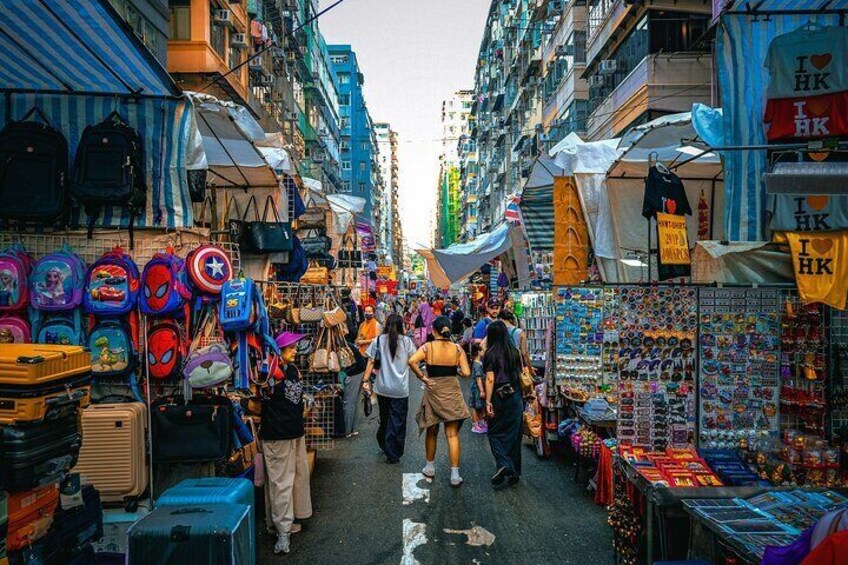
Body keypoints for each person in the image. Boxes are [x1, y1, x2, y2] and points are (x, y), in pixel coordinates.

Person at [262, 332, 313, 554]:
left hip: (294, 431)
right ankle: (282, 533)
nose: (295, 350)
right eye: (290, 347)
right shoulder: (267, 372)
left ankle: (284, 522)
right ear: (278, 350)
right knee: (280, 482)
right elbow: (257, 399)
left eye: (294, 346)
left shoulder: (293, 369)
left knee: (293, 478)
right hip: (276, 433)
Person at [408, 317, 471, 486]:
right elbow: (466, 372)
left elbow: (412, 361)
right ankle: (455, 475)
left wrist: (423, 378)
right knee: (452, 434)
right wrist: (453, 370)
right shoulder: (457, 349)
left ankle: (430, 467)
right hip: (451, 390)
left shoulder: (427, 347)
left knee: (432, 430)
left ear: (434, 331)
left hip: (433, 389)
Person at [364, 314, 416, 464]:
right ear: (401, 326)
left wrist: (365, 380)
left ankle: (383, 442)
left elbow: (371, 361)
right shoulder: (406, 342)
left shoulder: (379, 340)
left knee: (385, 417)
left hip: (382, 388)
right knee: (398, 421)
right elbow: (414, 360)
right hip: (400, 389)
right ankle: (393, 453)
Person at [483, 321, 524, 490]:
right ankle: (514, 472)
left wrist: (487, 401)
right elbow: (521, 374)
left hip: (499, 396)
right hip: (515, 396)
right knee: (514, 434)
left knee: (494, 432)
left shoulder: (490, 354)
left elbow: (490, 378)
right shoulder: (514, 352)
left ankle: (504, 463)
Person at [342, 336, 369, 437]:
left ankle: (347, 430)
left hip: (355, 371)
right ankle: (353, 429)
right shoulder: (345, 342)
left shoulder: (340, 344)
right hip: (360, 368)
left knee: (349, 401)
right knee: (355, 401)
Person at [468, 343, 488, 434]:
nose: (484, 352)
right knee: (475, 406)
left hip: (476, 387)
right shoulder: (477, 365)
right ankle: (475, 424)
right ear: (479, 352)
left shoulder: (478, 363)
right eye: (482, 351)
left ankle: (480, 422)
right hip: (476, 388)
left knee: (478, 405)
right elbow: (478, 378)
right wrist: (482, 390)